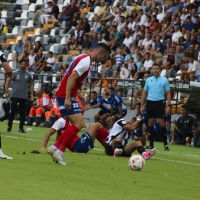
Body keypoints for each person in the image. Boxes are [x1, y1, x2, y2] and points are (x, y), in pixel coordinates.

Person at [47, 43, 111, 165]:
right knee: (80, 123)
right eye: (105, 56)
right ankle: (60, 151)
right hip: (65, 95)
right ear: (101, 52)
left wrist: (79, 94)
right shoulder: (86, 62)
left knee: (76, 123)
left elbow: (74, 79)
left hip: (67, 93)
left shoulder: (83, 57)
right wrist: (67, 98)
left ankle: (55, 147)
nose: (104, 59)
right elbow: (71, 78)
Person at [140, 63, 171, 151]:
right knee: (151, 123)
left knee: (161, 123)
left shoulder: (164, 80)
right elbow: (144, 92)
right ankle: (151, 144)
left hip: (160, 102)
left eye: (157, 68)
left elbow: (168, 93)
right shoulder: (148, 80)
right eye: (154, 69)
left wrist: (169, 105)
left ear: (160, 70)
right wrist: (142, 105)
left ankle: (165, 144)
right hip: (150, 102)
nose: (155, 70)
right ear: (152, 70)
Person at [41, 119, 109, 156]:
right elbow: (49, 132)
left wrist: (57, 145)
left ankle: (108, 148)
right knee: (97, 125)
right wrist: (44, 147)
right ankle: (112, 138)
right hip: (78, 146)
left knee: (93, 127)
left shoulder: (70, 121)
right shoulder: (61, 121)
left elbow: (59, 136)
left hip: (78, 144)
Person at [5, 60, 34, 133]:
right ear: (19, 64)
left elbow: (31, 85)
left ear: (26, 65)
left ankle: (21, 128)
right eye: (22, 64)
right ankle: (9, 126)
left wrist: (32, 94)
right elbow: (8, 81)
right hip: (15, 95)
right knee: (12, 111)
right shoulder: (14, 73)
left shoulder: (28, 74)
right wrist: (6, 92)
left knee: (23, 113)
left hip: (24, 96)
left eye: (24, 64)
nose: (23, 65)